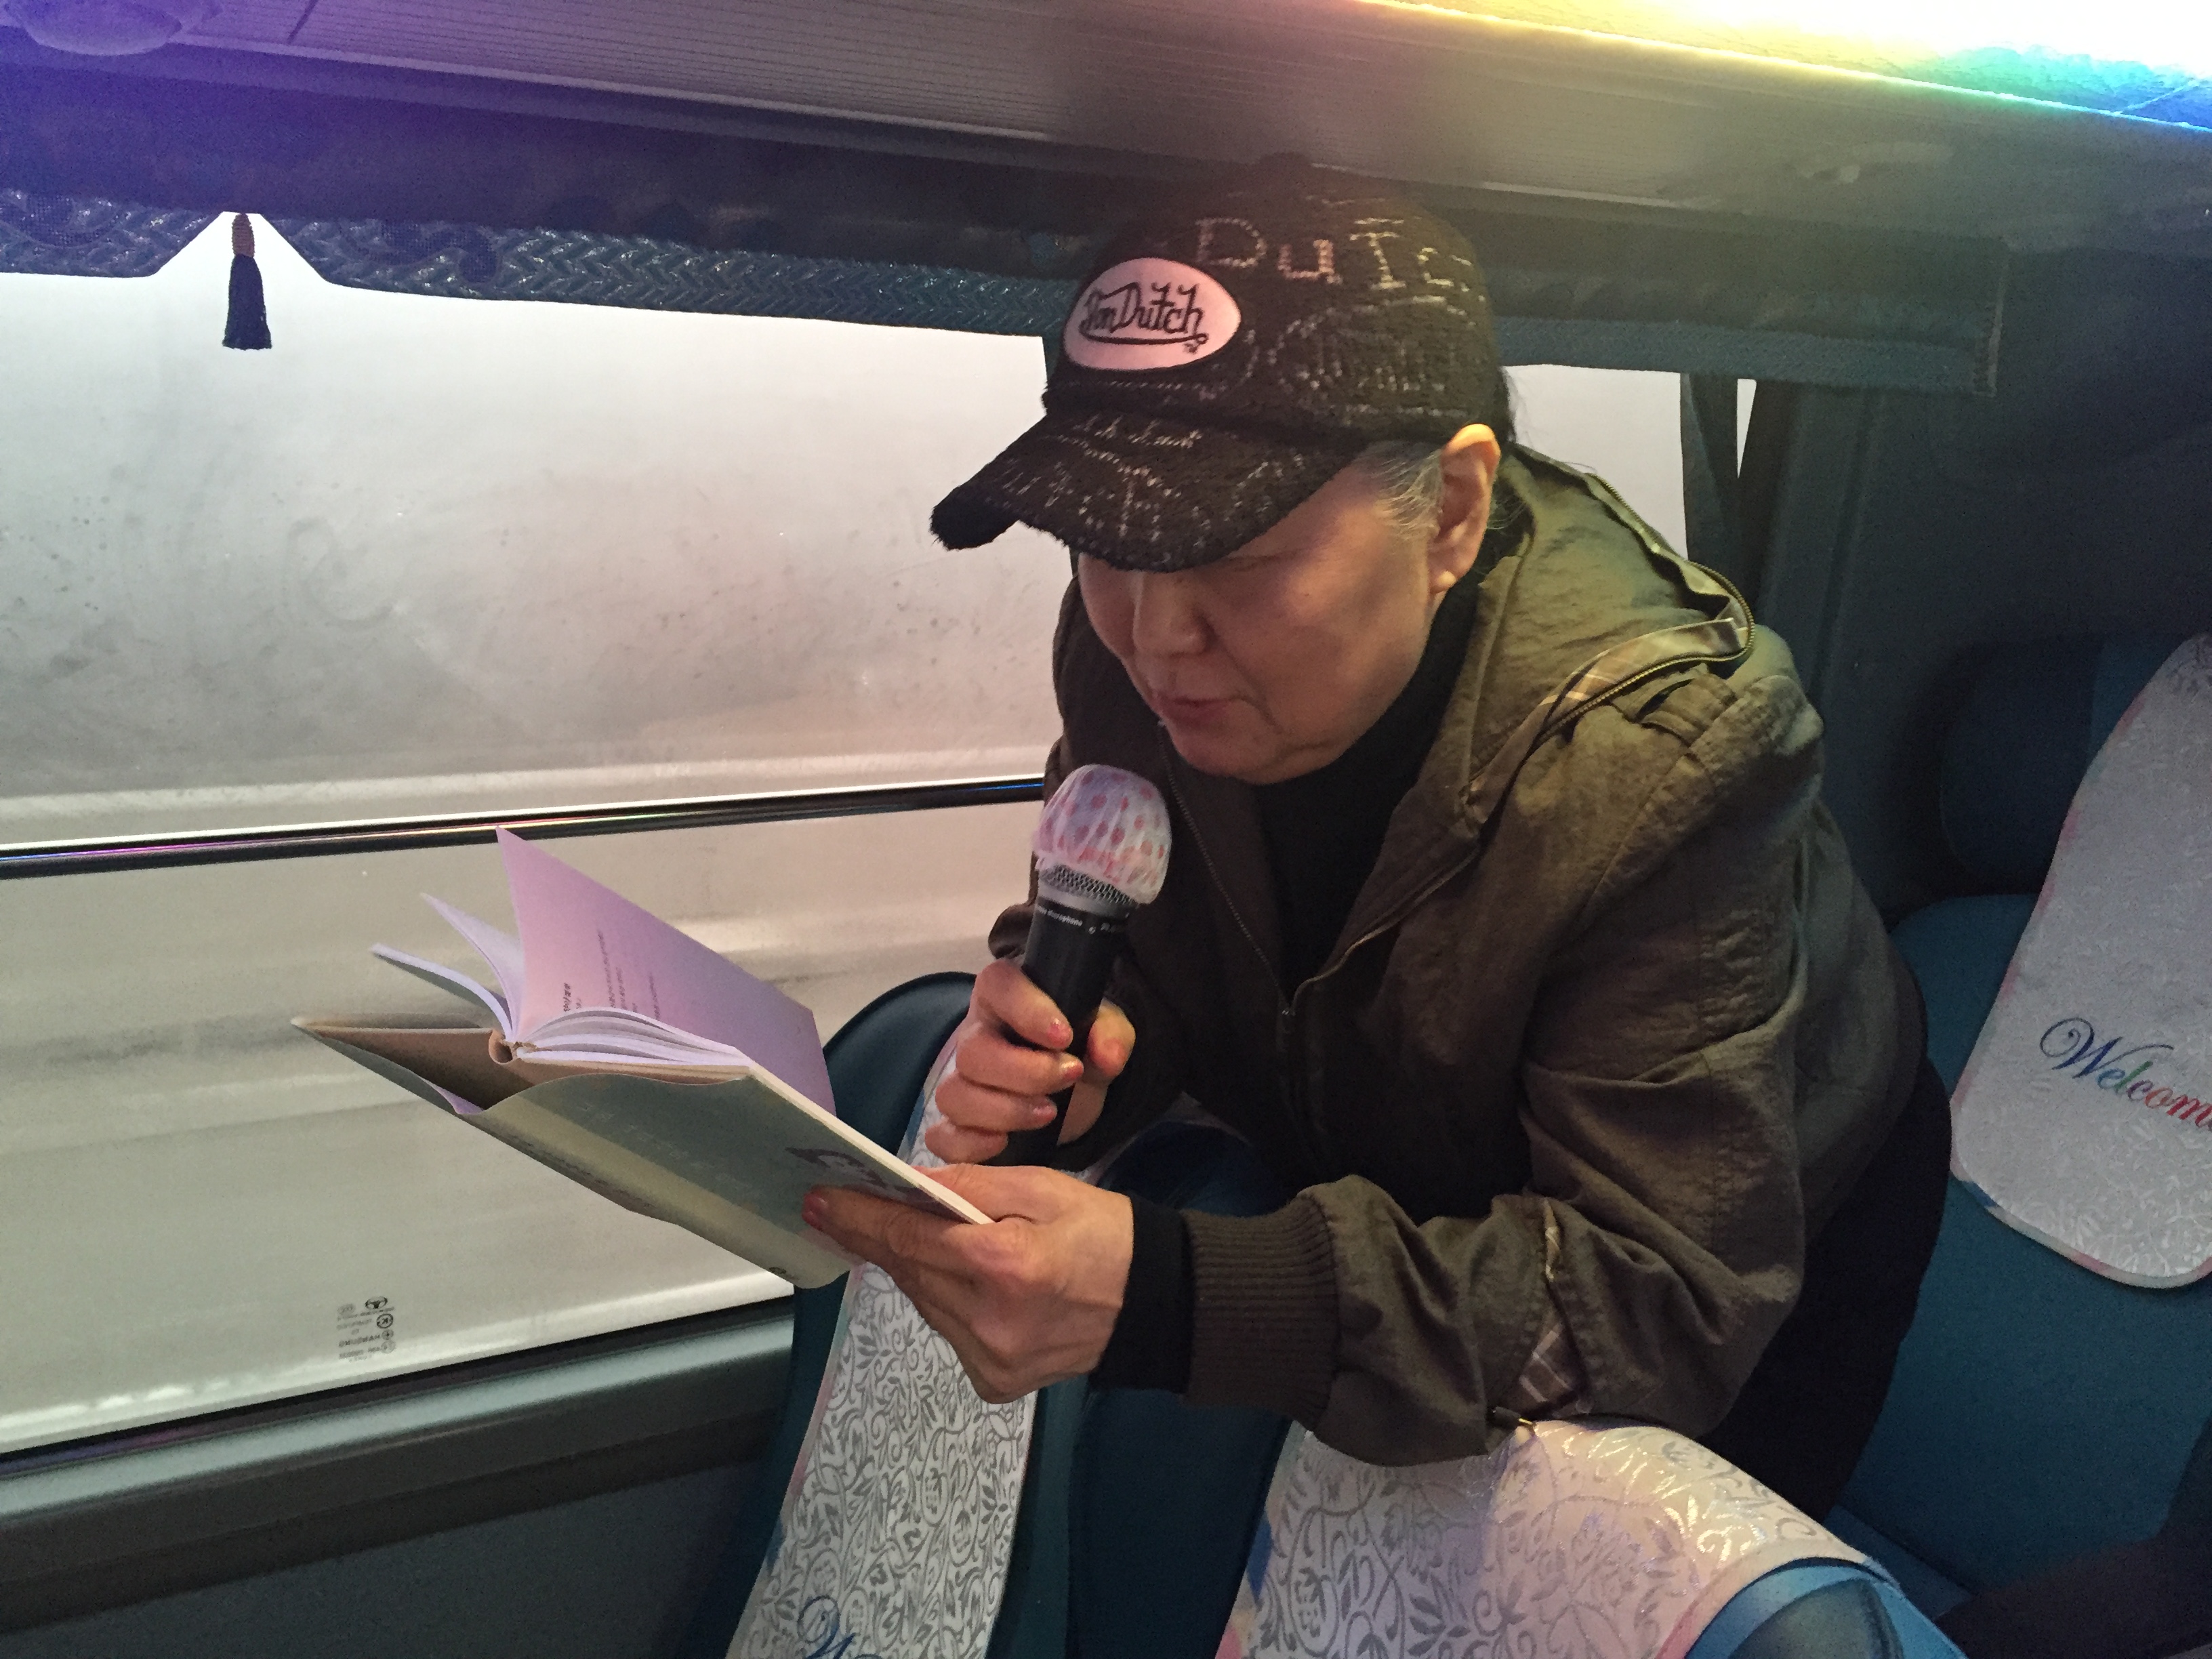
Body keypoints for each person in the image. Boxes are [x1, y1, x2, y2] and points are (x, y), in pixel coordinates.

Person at [804, 158, 1950, 1528]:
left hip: (1743, 1228)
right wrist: (1097, 1049)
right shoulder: (1134, 650)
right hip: (1398, 1150)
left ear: (1451, 514)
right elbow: (1155, 916)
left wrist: (1176, 1295)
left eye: (1235, 553)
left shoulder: (1664, 754)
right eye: (1104, 544)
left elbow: (1654, 1302)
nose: (1155, 637)